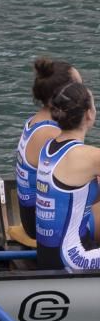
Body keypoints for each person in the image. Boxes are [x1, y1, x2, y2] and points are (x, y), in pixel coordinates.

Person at [34, 82, 100, 272]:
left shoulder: (47, 148)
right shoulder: (90, 156)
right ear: (89, 113)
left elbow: (76, 198)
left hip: (47, 254)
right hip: (73, 258)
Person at [15, 57, 81, 237]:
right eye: (80, 89)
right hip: (42, 224)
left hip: (33, 215)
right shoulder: (51, 134)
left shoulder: (37, 120)